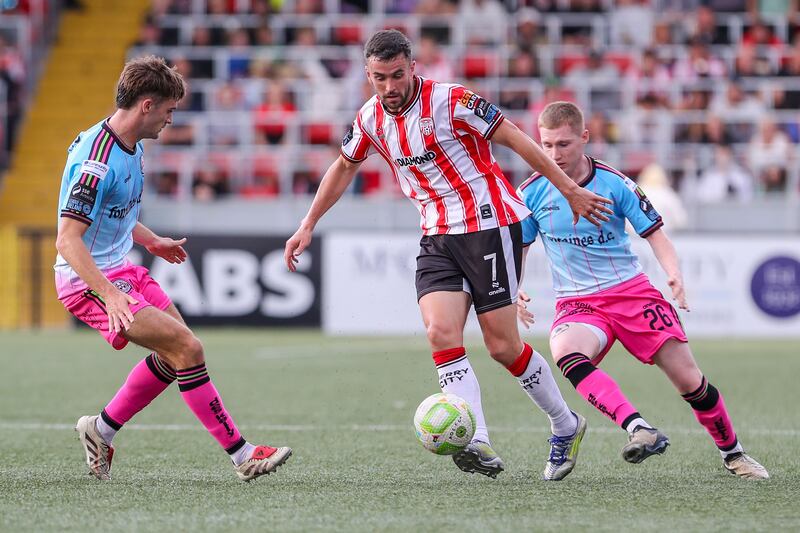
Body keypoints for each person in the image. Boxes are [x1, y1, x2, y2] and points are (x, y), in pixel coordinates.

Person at [284, 30, 613, 481]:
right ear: (368, 75)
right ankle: (476, 438)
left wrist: (570, 189)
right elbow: (344, 166)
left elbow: (515, 138)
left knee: (502, 347)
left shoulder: (453, 100)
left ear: (412, 67)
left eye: (397, 75)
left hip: (490, 225)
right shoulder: (369, 119)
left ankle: (565, 423)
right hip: (436, 236)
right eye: (379, 78)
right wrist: (308, 224)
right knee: (441, 332)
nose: (389, 87)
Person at [55, 56, 291, 482]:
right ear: (147, 105)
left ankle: (101, 430)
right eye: (169, 109)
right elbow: (68, 240)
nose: (170, 119)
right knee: (189, 350)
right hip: (87, 281)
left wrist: (150, 240)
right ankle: (243, 456)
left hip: (120, 268)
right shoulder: (96, 162)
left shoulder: (131, 145)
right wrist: (108, 294)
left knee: (177, 354)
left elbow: (112, 214)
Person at [514, 101, 768, 479]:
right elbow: (520, 245)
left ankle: (733, 454)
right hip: (578, 303)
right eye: (547, 145)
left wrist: (674, 274)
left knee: (690, 381)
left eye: (564, 144)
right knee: (565, 352)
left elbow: (656, 236)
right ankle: (638, 428)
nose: (555, 154)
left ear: (585, 137)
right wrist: (515, 288)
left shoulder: (616, 184)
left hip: (632, 293)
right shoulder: (531, 191)